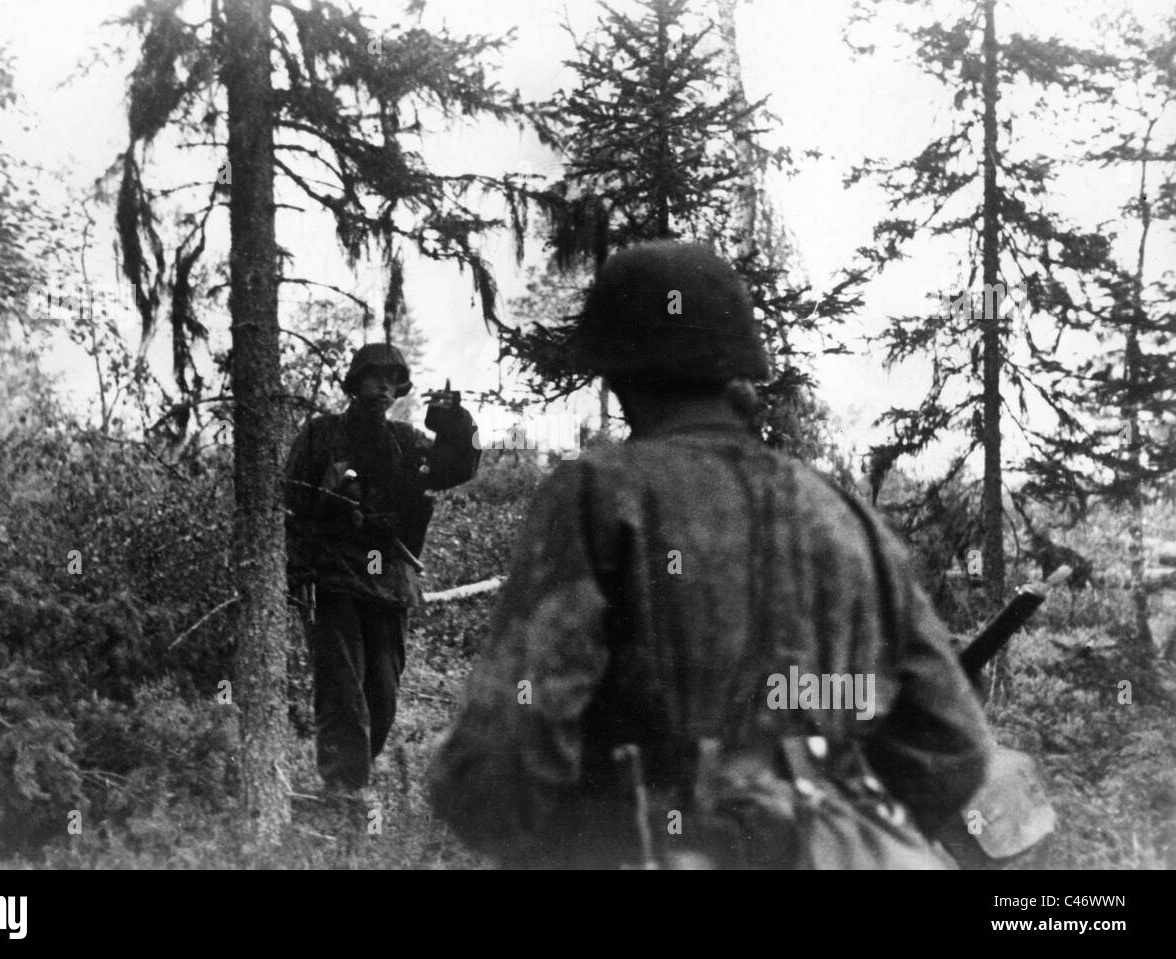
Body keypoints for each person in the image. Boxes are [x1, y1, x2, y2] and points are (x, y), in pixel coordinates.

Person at [427, 241, 995, 868]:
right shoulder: (844, 513)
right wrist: (823, 821)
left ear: (616, 373)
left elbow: (507, 748)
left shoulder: (599, 495)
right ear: (738, 374)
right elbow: (953, 745)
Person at [285, 343, 479, 792]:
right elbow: (290, 504)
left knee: (383, 695)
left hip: (388, 580)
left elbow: (457, 467)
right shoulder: (320, 434)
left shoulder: (407, 442)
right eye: (374, 378)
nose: (382, 387)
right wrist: (300, 569)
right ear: (355, 383)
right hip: (331, 577)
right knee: (341, 691)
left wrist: (454, 423)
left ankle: (354, 774)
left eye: (392, 381)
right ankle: (343, 792)